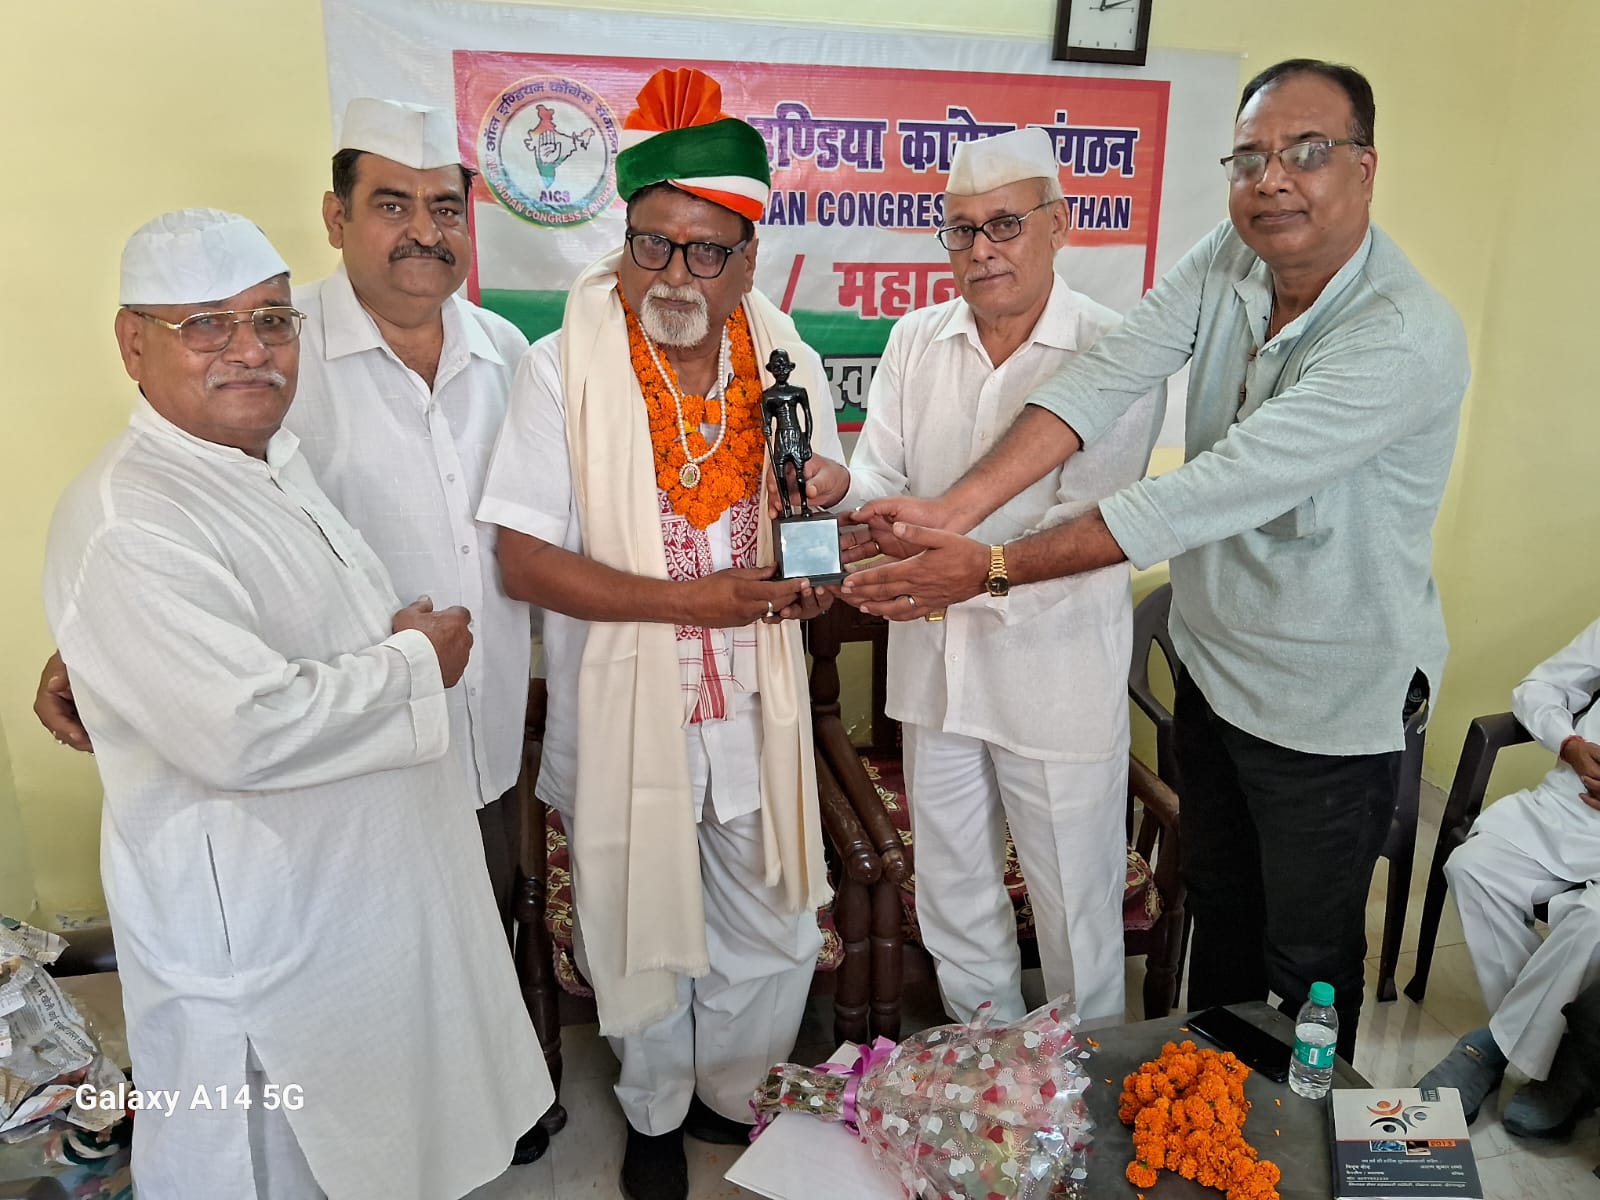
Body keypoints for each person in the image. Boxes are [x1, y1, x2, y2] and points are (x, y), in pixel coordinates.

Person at [841, 58, 1470, 1059]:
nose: (1272, 180)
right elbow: (1108, 378)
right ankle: (1207, 1104)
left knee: (1305, 958)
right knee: (1220, 912)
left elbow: (1193, 496)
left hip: (1327, 700)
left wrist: (984, 566)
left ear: (1364, 166)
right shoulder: (1231, 256)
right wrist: (947, 513)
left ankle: (1300, 1121)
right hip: (1215, 675)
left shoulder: (1395, 336)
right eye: (1250, 157)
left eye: (1305, 152)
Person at [33, 98, 556, 1145]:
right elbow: (176, 581)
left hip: (476, 728)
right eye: (392, 204)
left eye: (444, 207)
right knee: (325, 1056)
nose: (422, 231)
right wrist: (93, 646)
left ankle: (483, 1117)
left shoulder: (505, 353)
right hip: (314, 803)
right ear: (336, 216)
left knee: (468, 941)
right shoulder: (272, 366)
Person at [476, 67, 845, 1200]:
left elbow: (813, 516)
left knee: (773, 921)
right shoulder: (560, 370)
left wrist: (814, 560)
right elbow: (521, 560)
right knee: (636, 921)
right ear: (624, 240)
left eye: (704, 251)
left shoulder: (786, 364)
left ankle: (730, 1093)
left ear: (749, 259)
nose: (674, 274)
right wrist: (689, 602)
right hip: (626, 704)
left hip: (755, 702)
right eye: (652, 244)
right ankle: (650, 1110)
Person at [837, 127, 1164, 1026]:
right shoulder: (916, 337)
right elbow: (879, 477)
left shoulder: (1113, 350)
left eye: (1005, 224)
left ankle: (1080, 1078)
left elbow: (1094, 525)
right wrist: (844, 495)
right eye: (961, 229)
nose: (981, 249)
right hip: (934, 670)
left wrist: (969, 569)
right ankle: (990, 1070)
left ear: (1059, 225)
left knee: (1075, 905)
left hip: (1053, 674)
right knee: (951, 889)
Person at [1417, 616, 1600, 1138]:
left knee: (1590, 922)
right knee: (1473, 868)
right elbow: (1539, 687)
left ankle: (1490, 1049)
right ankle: (1567, 1059)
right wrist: (1568, 742)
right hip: (1567, 809)